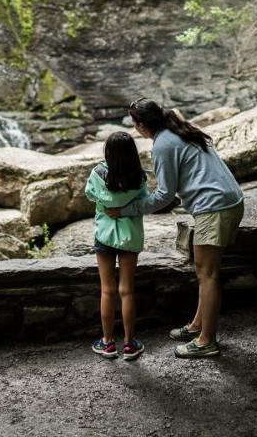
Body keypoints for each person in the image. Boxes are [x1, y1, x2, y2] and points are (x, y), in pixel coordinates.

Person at [106, 98, 243, 359]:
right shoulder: (178, 130)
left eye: (134, 123)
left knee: (208, 274)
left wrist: (126, 209)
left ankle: (206, 342)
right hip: (226, 201)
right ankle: (196, 327)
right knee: (204, 270)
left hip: (214, 207)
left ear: (141, 125)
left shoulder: (163, 145)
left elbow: (164, 195)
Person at [84, 131, 148, 361]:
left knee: (107, 290)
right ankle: (130, 344)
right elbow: (144, 199)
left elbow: (90, 194)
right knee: (127, 290)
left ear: (108, 152)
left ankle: (108, 343)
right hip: (130, 237)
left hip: (104, 235)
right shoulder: (139, 177)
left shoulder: (98, 173)